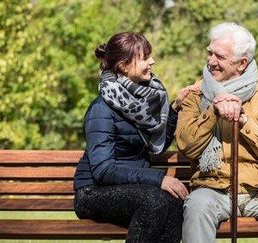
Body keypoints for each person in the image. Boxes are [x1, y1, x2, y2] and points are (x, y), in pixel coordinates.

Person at [176, 23, 258, 243]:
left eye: (219, 56)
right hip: (213, 187)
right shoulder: (195, 94)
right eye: (209, 52)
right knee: (197, 207)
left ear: (241, 63)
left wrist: (244, 121)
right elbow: (187, 147)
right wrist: (213, 111)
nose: (210, 61)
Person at [73, 32, 193, 243]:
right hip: (93, 192)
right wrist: (159, 179)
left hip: (133, 189)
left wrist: (174, 109)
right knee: (153, 200)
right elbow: (103, 170)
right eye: (145, 57)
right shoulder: (101, 109)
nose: (152, 61)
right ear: (123, 66)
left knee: (174, 203)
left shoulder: (143, 103)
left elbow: (157, 145)